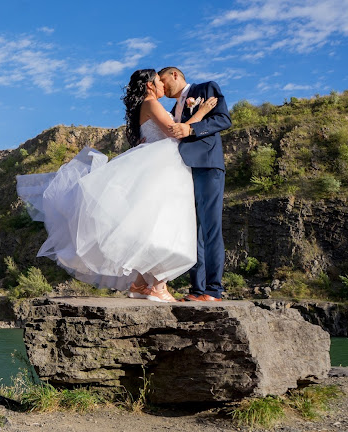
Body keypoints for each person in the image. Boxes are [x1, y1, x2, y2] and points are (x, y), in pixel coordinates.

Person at [16, 69, 217, 302]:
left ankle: (141, 284)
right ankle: (158, 287)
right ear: (150, 86)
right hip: (163, 164)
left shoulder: (148, 105)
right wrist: (201, 113)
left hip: (156, 162)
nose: (163, 85)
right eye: (159, 81)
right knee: (163, 223)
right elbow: (175, 132)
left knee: (150, 223)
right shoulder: (151, 103)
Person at [158, 67, 231, 301]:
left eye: (163, 80)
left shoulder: (206, 88)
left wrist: (192, 128)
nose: (162, 85)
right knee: (192, 230)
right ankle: (197, 289)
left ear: (175, 75)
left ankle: (214, 289)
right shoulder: (173, 108)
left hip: (207, 164)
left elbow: (223, 118)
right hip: (183, 170)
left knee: (210, 227)